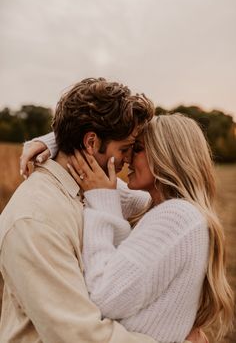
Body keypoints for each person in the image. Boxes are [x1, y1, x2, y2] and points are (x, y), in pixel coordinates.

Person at [0, 78, 199, 343]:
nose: (128, 159)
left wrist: (54, 141)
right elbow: (79, 335)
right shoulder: (35, 220)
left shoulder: (94, 187)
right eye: (125, 149)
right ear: (91, 143)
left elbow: (152, 198)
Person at [64, 114, 234, 342]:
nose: (128, 159)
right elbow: (99, 178)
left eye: (138, 149)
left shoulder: (177, 217)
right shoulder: (156, 206)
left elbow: (103, 297)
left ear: (167, 156)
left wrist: (102, 201)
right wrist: (52, 143)